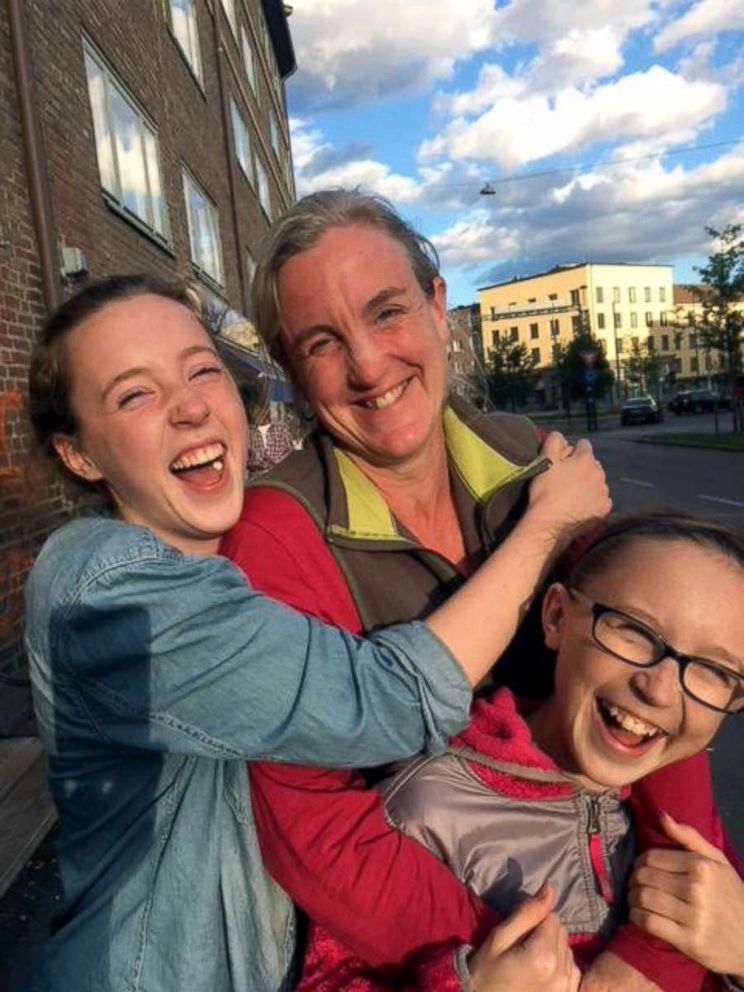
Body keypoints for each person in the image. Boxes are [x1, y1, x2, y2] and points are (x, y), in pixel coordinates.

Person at [20, 273, 609, 992]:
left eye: (201, 369)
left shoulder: (235, 557)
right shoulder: (109, 588)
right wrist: (550, 526)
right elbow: (383, 701)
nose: (190, 406)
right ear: (79, 455)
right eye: (134, 394)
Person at [221, 188, 725, 992]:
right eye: (322, 341)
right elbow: (315, 830)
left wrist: (660, 944)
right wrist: (523, 957)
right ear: (289, 367)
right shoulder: (277, 541)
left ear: (436, 304)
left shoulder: (528, 457)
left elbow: (656, 666)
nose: (369, 366)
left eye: (388, 311)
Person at [297, 513, 744, 990]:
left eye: (713, 671)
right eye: (633, 630)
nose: (659, 690)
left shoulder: (679, 820)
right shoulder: (426, 808)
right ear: (556, 618)